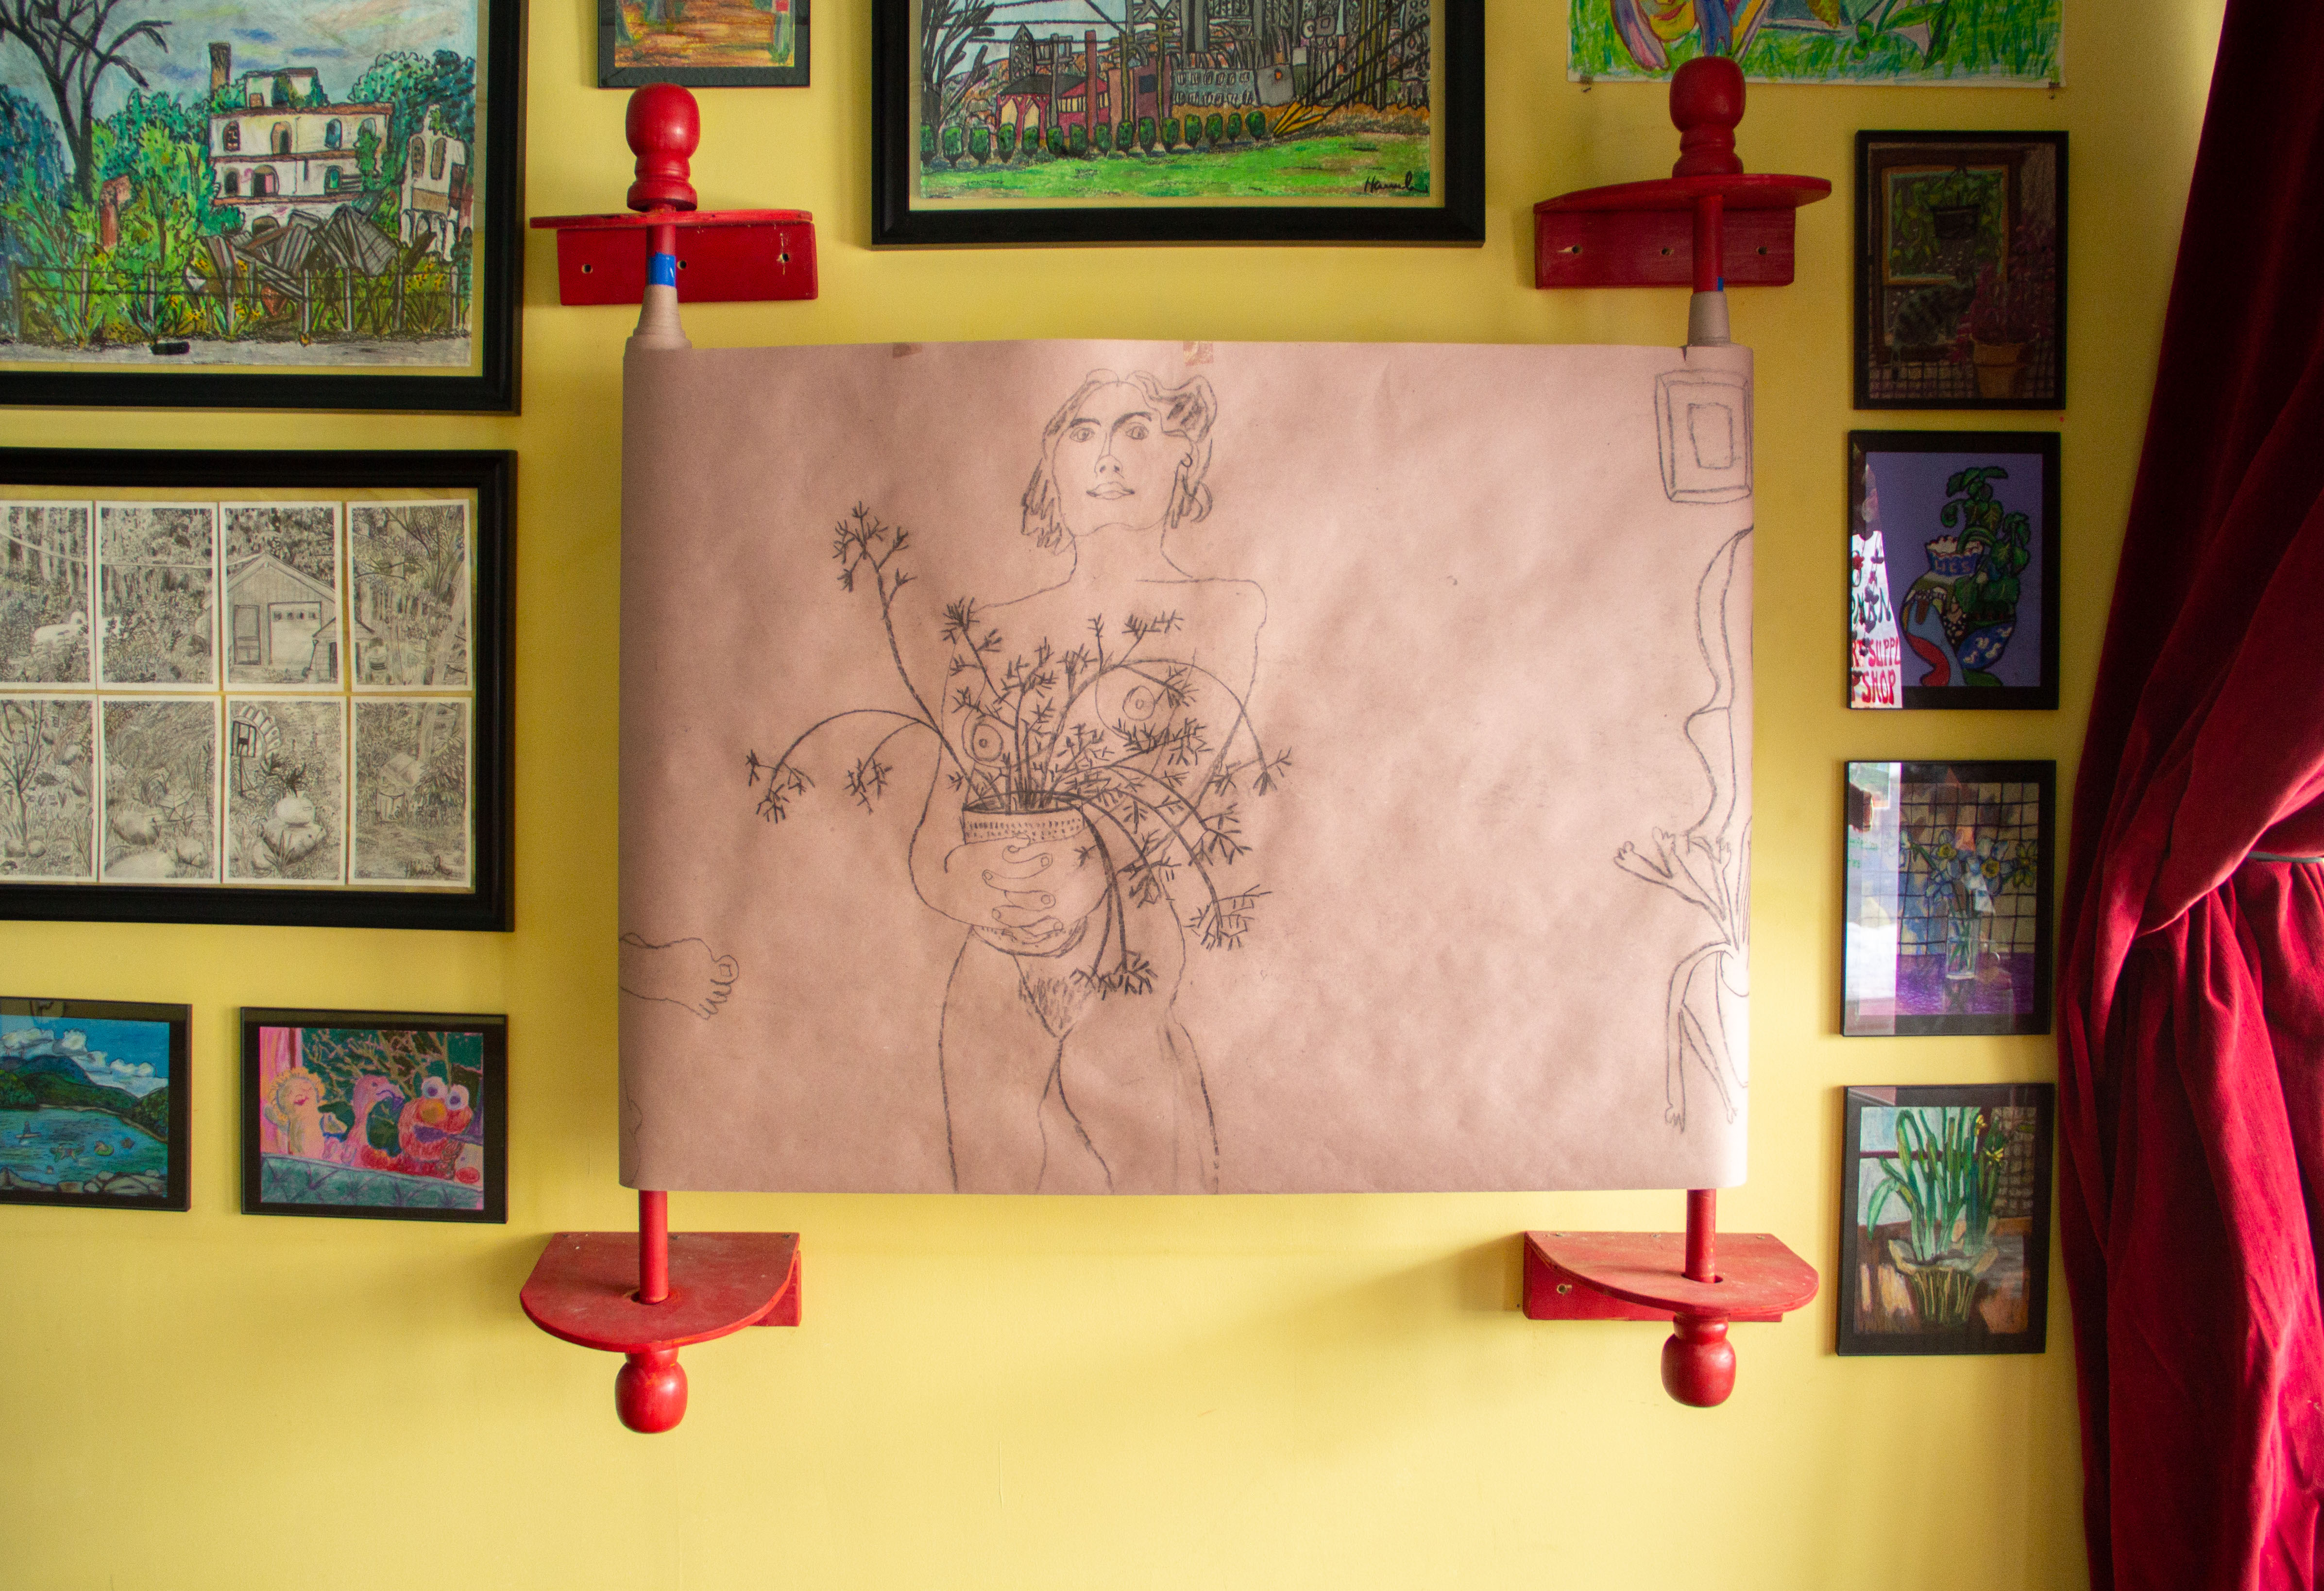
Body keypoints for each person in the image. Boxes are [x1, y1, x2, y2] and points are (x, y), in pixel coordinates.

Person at [900, 369, 1268, 1193]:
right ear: (1050, 467)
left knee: (1156, 1198)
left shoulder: (1226, 608)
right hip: (994, 978)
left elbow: (1174, 804)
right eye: (1081, 432)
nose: (1106, 455)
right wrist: (973, 885)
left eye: (1136, 430)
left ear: (1183, 458)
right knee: (993, 1209)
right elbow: (934, 841)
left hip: (1133, 967)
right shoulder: (990, 633)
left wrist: (1068, 878)